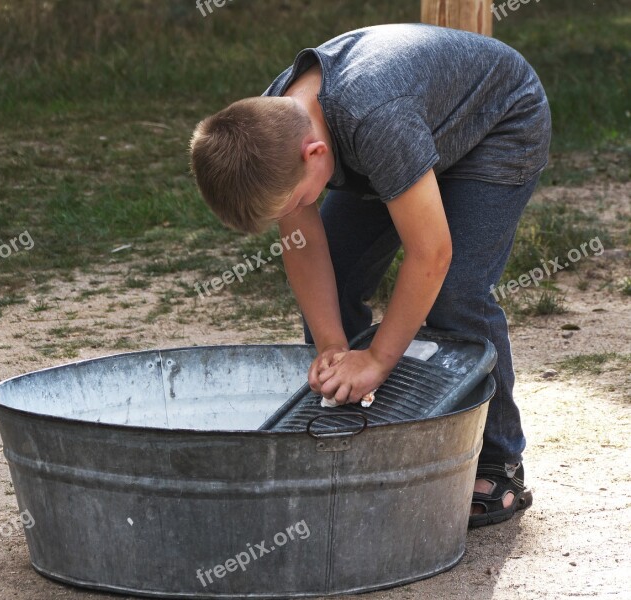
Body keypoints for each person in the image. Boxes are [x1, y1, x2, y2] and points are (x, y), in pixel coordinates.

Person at [189, 23, 552, 527]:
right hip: (405, 134)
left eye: (296, 202)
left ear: (314, 154)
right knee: (333, 280)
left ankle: (498, 458)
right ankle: (356, 427)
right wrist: (333, 349)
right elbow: (304, 245)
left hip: (497, 123)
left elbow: (432, 254)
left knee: (453, 295)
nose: (295, 213)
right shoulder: (272, 130)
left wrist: (380, 358)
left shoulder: (373, 120)